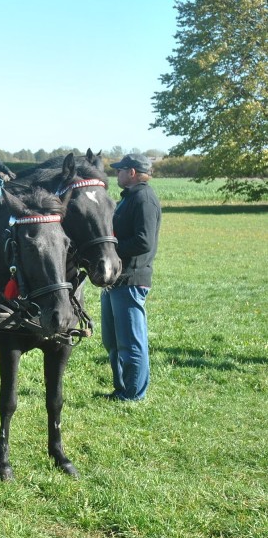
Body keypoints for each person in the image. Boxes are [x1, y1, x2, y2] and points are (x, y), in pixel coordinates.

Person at [100, 154, 161, 402]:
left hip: (131, 278)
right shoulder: (130, 198)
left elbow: (144, 241)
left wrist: (111, 250)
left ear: (132, 172)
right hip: (116, 279)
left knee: (131, 342)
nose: (117, 174)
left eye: (121, 170)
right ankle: (122, 387)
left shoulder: (144, 199)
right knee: (113, 340)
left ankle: (133, 394)